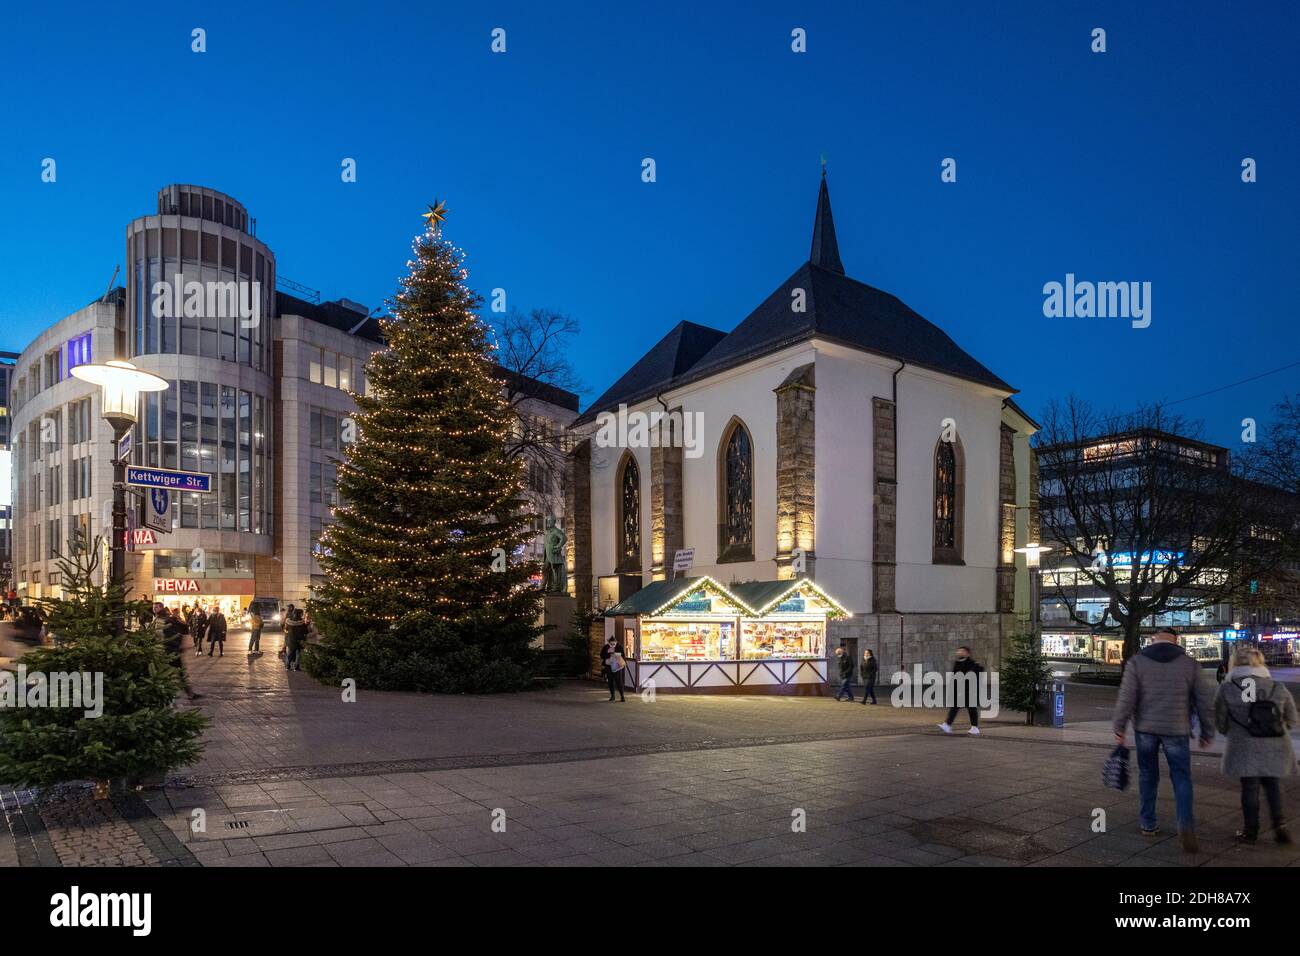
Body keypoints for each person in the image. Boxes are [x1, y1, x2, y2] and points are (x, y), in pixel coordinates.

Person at [1112, 626, 1214, 853]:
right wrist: (1207, 732)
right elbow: (1204, 702)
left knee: (1148, 775)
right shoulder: (1190, 664)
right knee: (1182, 777)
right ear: (1176, 640)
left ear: (1153, 639)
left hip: (1145, 729)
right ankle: (1185, 825)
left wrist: (1119, 727)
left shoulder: (1137, 662)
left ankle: (1148, 823)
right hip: (1177, 729)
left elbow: (1126, 698)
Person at [1214, 645, 1297, 844]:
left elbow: (1220, 721)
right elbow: (1291, 718)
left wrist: (1232, 732)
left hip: (1244, 746)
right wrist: (1275, 730)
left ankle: (1251, 830)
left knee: (1249, 788)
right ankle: (1280, 826)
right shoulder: (1277, 686)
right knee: (1274, 786)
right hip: (1275, 745)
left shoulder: (1227, 687)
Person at [938, 646, 984, 735]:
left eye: (962, 651)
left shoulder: (973, 663)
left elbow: (975, 673)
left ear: (967, 653)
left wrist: (976, 668)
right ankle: (947, 725)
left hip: (970, 690)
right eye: (958, 651)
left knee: (971, 709)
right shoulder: (958, 663)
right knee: (955, 707)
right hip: (959, 690)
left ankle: (974, 727)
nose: (959, 652)